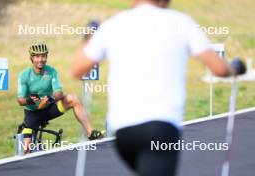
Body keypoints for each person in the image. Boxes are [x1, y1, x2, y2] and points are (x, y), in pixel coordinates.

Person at [71, 0, 246, 175]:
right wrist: (235, 67)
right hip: (159, 130)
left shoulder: (115, 24)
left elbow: (77, 69)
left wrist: (89, 36)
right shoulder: (181, 22)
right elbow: (219, 68)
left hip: (124, 133)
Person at [17, 43, 103, 154]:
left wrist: (51, 97)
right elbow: (20, 100)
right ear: (31, 58)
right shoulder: (24, 75)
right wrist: (30, 100)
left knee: (73, 98)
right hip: (33, 114)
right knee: (25, 148)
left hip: (49, 108)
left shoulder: (52, 72)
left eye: (43, 56)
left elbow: (59, 92)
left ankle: (90, 133)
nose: (41, 59)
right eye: (37, 56)